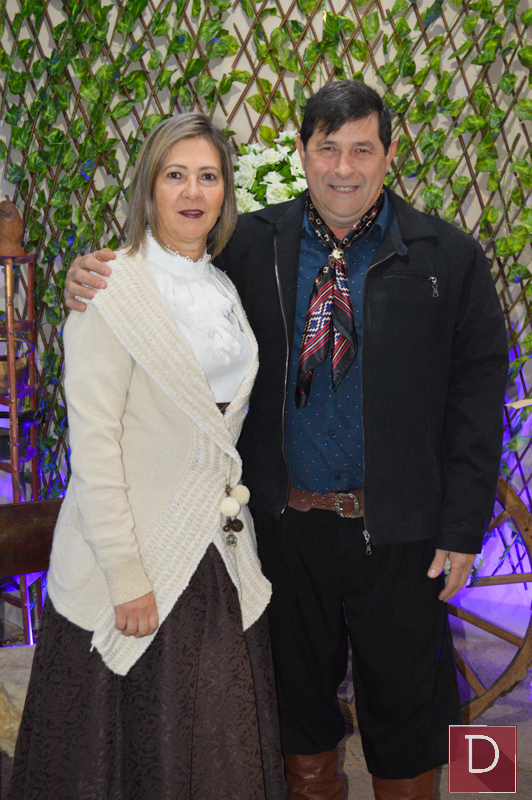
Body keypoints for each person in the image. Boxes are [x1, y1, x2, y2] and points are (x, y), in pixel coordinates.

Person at [64, 81, 508, 800]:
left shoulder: (447, 258)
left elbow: (476, 401)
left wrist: (461, 529)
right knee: (294, 712)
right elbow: (166, 284)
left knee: (407, 712)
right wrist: (90, 277)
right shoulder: (249, 244)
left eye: (361, 150)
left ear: (389, 154)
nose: (344, 168)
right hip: (281, 527)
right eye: (327, 149)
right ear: (302, 153)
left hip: (401, 534)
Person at [10, 113, 287, 800]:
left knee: (217, 750)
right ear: (149, 187)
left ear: (225, 192)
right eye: (175, 175)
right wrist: (126, 572)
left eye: (208, 176)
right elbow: (94, 447)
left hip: (214, 554)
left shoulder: (222, 288)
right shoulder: (110, 288)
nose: (192, 192)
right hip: (133, 563)